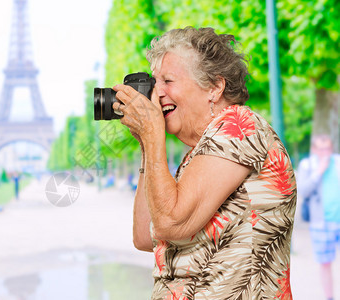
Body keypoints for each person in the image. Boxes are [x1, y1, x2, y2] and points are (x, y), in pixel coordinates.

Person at [112, 27, 296, 299]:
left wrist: (153, 136)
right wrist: (145, 142)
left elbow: (171, 223)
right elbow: (143, 236)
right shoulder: (200, 153)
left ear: (214, 87)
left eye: (168, 81)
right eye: (154, 81)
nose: (155, 93)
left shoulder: (240, 127)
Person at [298, 134, 340, 300]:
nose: (325, 152)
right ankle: (329, 297)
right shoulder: (308, 165)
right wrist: (318, 172)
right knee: (325, 263)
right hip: (320, 223)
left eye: (327, 148)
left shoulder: (337, 162)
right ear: (314, 149)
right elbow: (303, 191)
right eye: (321, 149)